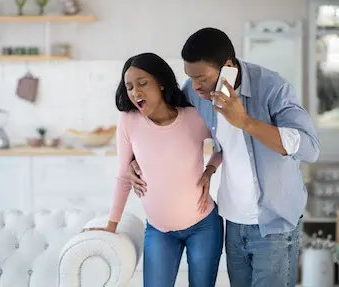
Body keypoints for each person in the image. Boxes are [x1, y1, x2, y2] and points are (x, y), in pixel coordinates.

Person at [129, 28, 321, 287]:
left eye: (201, 78)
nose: (195, 86)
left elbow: (310, 148)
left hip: (274, 225)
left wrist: (245, 121)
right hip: (233, 220)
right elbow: (170, 125)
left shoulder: (273, 88)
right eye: (190, 77)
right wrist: (133, 159)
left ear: (228, 67)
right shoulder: (197, 94)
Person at [84, 52, 224, 287]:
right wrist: (111, 225)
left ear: (160, 83)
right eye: (129, 87)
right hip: (159, 230)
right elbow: (123, 175)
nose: (135, 92)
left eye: (142, 83)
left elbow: (225, 146)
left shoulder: (193, 117)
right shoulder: (129, 120)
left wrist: (210, 168)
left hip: (203, 226)